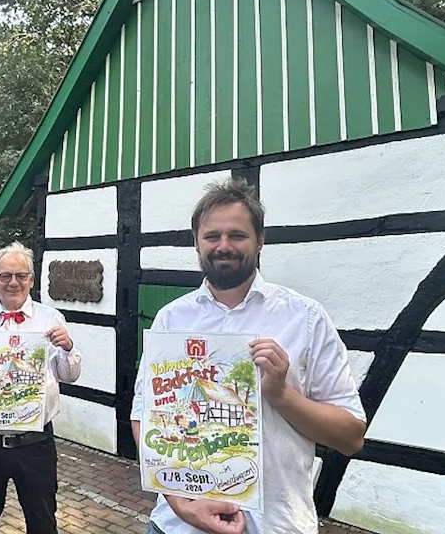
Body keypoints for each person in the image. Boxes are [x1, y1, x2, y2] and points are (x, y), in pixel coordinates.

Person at [132, 179, 367, 534]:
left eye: (237, 235)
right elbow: (143, 416)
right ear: (196, 242)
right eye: (212, 236)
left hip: (276, 524)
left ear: (260, 241)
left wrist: (282, 395)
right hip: (177, 527)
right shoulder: (171, 318)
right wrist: (181, 505)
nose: (223, 246)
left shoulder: (305, 317)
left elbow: (351, 437)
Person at [0, 241, 82, 534]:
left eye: (21, 275)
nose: (14, 282)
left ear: (32, 280)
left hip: (36, 443)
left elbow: (68, 375)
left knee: (43, 522)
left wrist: (68, 348)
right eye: (6, 275)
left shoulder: (52, 319)